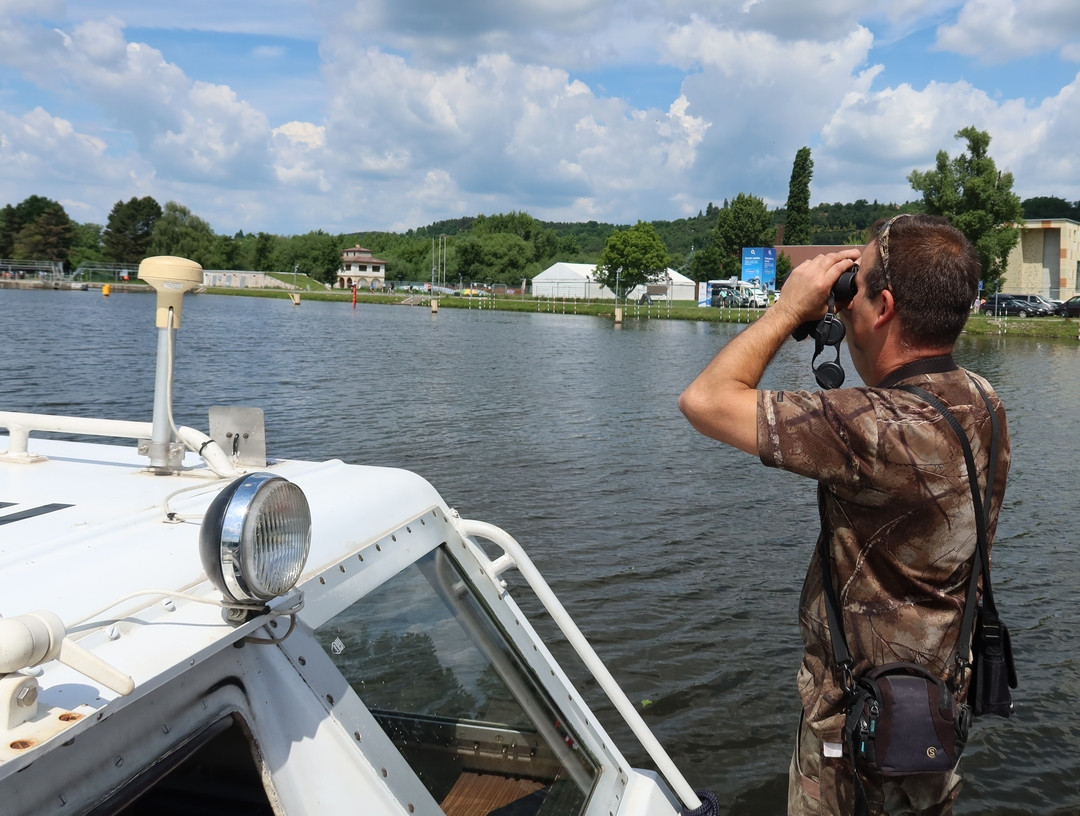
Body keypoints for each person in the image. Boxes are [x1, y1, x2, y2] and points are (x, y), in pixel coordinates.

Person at [678, 214, 1010, 815]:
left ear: (883, 306)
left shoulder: (872, 428)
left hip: (854, 735)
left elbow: (704, 401)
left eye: (855, 285)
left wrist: (786, 310)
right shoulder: (984, 399)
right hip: (935, 716)